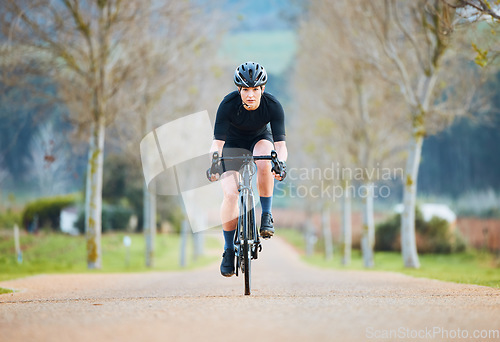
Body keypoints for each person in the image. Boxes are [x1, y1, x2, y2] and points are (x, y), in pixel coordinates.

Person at [208, 61, 288, 277]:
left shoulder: (273, 105)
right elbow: (217, 143)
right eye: (245, 90)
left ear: (262, 89)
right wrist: (215, 162)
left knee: (265, 160)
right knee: (230, 194)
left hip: (259, 140)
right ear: (239, 90)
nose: (250, 95)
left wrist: (279, 163)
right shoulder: (227, 105)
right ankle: (228, 250)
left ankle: (267, 215)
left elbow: (280, 146)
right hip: (232, 145)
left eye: (255, 89)